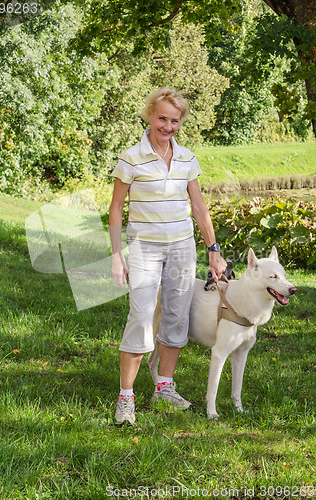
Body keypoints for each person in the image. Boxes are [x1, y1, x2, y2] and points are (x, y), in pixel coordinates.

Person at [109, 87, 226, 426]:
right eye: (162, 118)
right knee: (141, 316)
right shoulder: (131, 157)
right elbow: (116, 208)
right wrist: (117, 255)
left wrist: (214, 250)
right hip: (144, 247)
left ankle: (164, 386)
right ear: (150, 115)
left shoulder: (188, 158)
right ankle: (126, 398)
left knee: (176, 317)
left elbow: (199, 208)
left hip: (182, 247)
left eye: (175, 120)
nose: (168, 126)